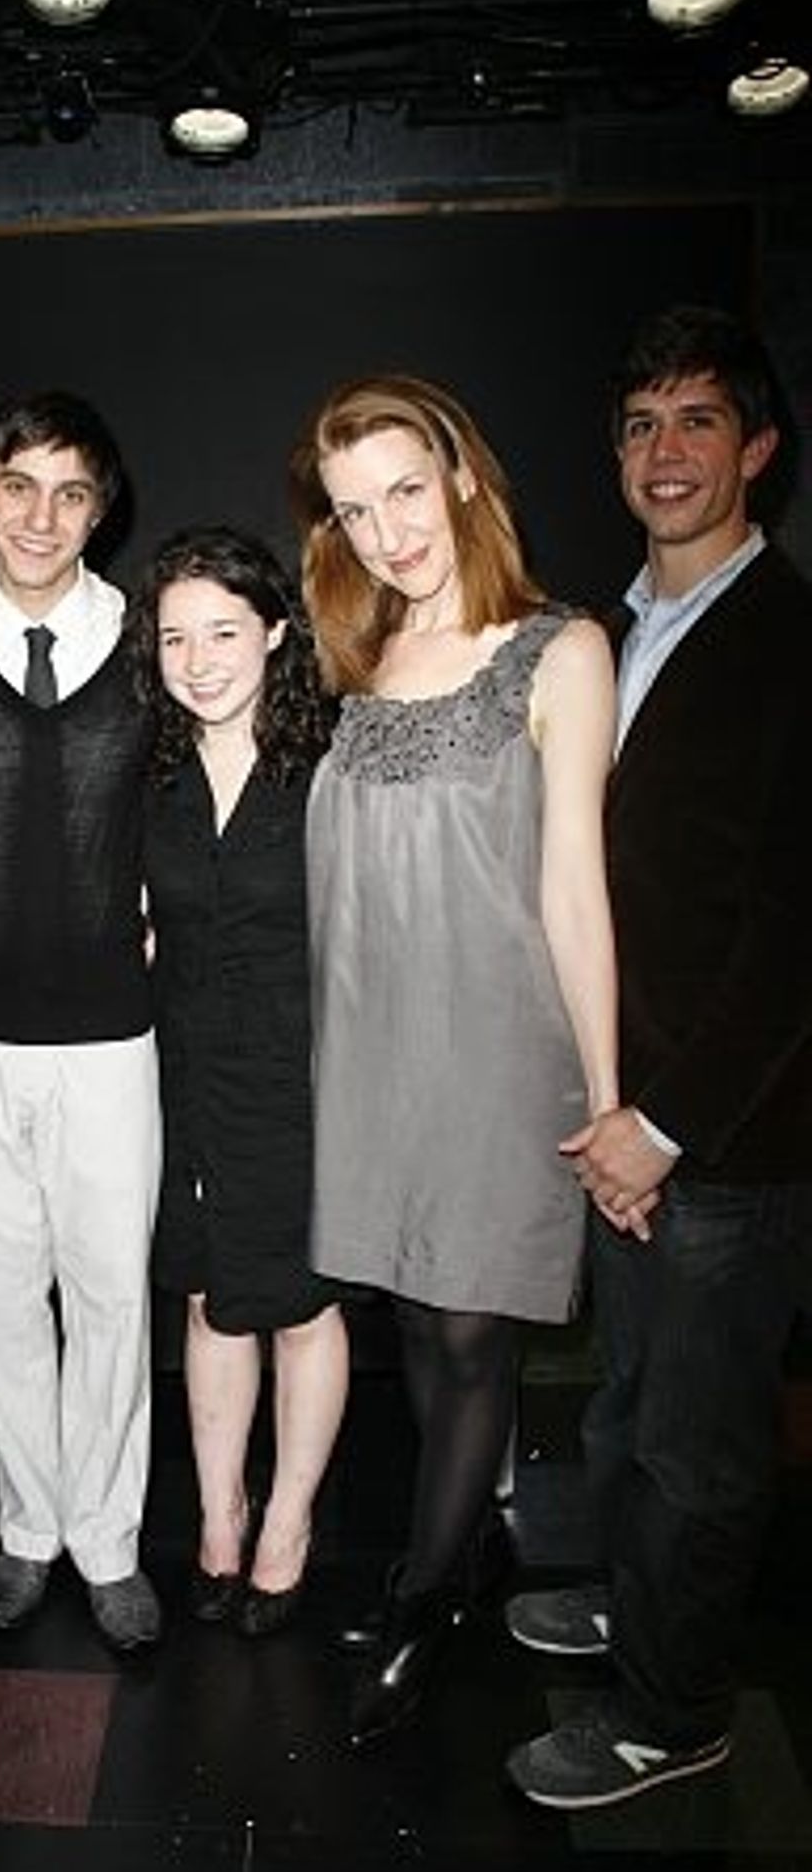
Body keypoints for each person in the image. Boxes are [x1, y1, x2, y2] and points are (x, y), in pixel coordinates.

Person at [506, 306, 812, 1809]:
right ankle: (633, 1604)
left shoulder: (790, 642)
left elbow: (792, 937)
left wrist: (668, 1123)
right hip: (623, 1114)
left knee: (699, 1445)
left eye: (697, 420)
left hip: (728, 1139)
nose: (664, 450)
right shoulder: (613, 630)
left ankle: (673, 1711)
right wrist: (609, 1106)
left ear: (756, 448)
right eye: (640, 424)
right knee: (630, 1402)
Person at [289, 374, 620, 1745]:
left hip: (496, 1046)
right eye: (354, 510)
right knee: (416, 1317)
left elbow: (574, 887)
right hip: (372, 1042)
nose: (386, 532)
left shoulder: (560, 649)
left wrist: (608, 1098)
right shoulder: (357, 653)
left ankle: (423, 1598)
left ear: (463, 478)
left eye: (405, 492)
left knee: (474, 1327)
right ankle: (466, 1539)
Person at [0, 391, 162, 1653]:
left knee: (109, 1294)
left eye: (68, 492)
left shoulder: (150, 640)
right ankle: (26, 1525)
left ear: (98, 509)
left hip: (107, 1027)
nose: (40, 516)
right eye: (18, 487)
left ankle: (107, 1540)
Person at [130, 526, 347, 1634]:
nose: (198, 659)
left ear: (272, 632)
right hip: (182, 1073)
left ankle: (289, 1522)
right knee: (208, 1295)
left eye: (222, 631)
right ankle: (220, 1512)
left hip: (301, 1078)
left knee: (300, 1302)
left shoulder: (330, 766)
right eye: (175, 637)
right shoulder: (152, 771)